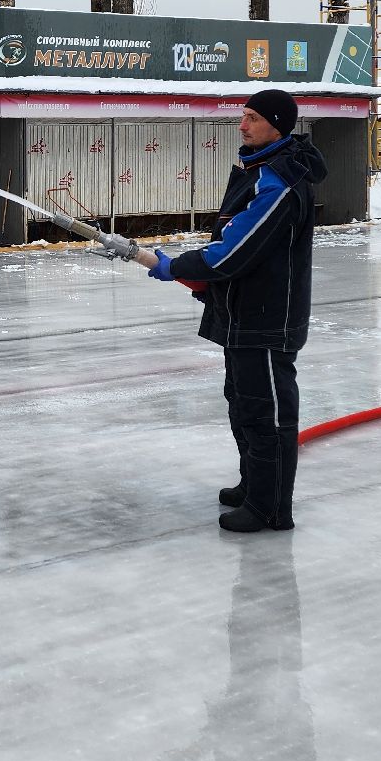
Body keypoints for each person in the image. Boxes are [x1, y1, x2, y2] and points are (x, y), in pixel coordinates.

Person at [129, 89, 327, 533]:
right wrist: (192, 273)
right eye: (243, 116)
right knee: (243, 404)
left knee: (267, 414)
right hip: (242, 313)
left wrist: (173, 266)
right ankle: (255, 485)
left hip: (266, 319)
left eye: (252, 117)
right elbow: (230, 246)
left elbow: (233, 253)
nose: (242, 125)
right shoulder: (257, 170)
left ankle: (271, 507)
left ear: (277, 125)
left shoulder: (278, 181)